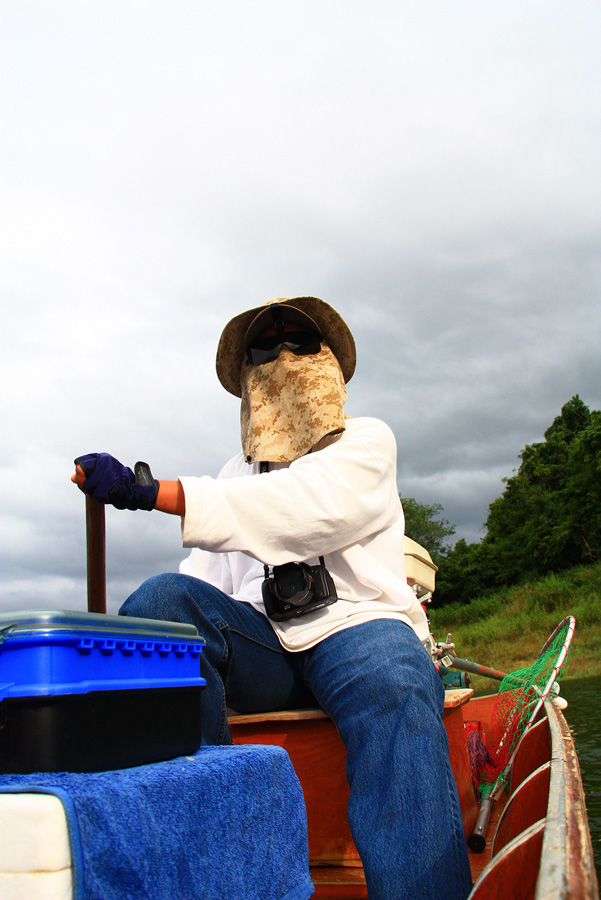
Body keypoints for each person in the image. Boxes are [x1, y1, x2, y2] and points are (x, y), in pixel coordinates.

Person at [72, 296, 472, 900]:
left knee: (394, 679)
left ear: (330, 361)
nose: (283, 355)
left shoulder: (366, 441)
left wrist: (151, 491)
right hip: (265, 647)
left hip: (360, 631)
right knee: (161, 605)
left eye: (300, 341)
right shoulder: (235, 472)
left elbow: (308, 504)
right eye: (265, 347)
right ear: (247, 379)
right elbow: (202, 583)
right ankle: (216, 867)